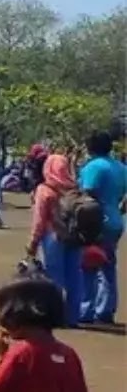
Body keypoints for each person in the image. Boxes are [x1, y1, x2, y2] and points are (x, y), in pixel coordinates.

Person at [28, 149, 85, 326]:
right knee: (75, 278)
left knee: (54, 279)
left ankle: (55, 316)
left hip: (53, 237)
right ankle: (73, 317)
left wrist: (33, 243)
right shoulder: (75, 188)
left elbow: (39, 220)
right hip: (74, 237)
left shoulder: (45, 190)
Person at [76, 130, 122, 326]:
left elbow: (87, 195)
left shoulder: (93, 167)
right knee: (108, 267)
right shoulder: (121, 167)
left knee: (89, 265)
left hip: (95, 222)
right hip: (115, 220)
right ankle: (105, 310)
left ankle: (86, 310)